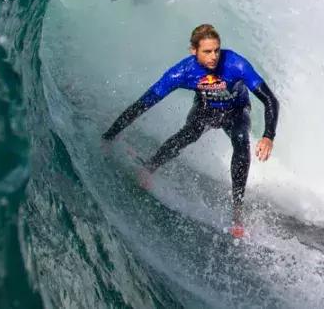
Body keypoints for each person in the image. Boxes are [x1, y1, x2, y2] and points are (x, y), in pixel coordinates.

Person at [102, 24, 281, 238]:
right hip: (205, 109)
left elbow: (270, 99)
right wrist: (109, 136)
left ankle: (237, 212)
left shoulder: (235, 63)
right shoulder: (183, 72)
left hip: (236, 111)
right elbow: (145, 102)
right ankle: (149, 168)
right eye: (207, 51)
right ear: (193, 51)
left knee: (242, 143)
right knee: (186, 135)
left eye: (216, 50)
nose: (214, 56)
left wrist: (268, 136)